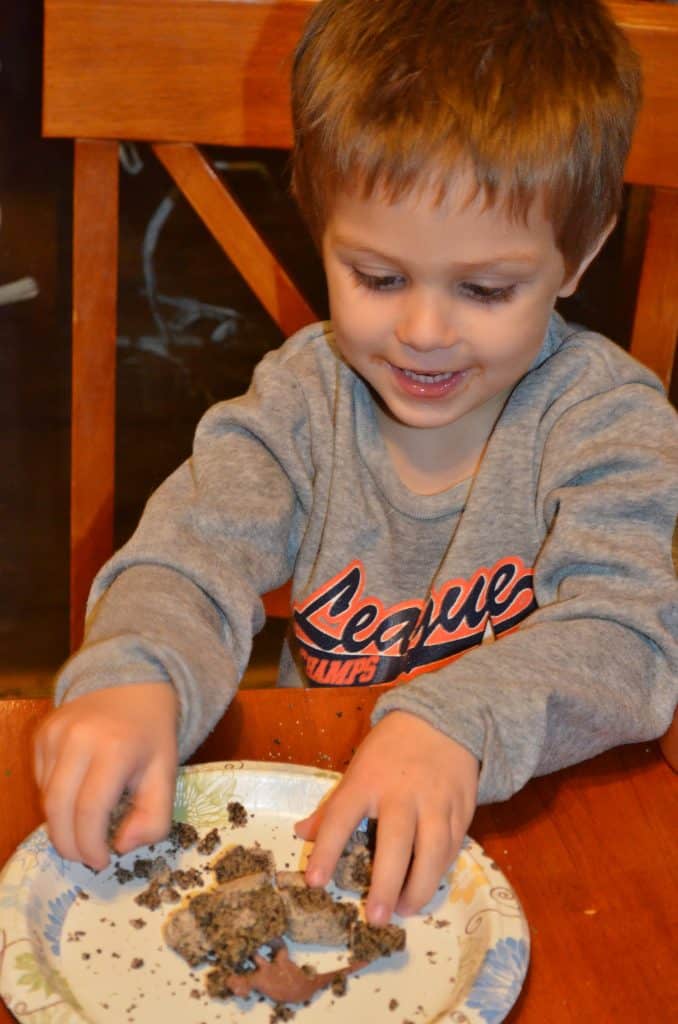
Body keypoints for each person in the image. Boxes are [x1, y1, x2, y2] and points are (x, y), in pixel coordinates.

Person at [34, 0, 677, 927]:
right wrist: (139, 671)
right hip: (322, 832)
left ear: (579, 255)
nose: (423, 332)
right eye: (378, 278)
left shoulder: (608, 424)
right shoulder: (302, 403)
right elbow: (188, 559)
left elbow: (633, 642)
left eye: (486, 289)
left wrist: (454, 719)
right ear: (319, 226)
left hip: (542, 833)